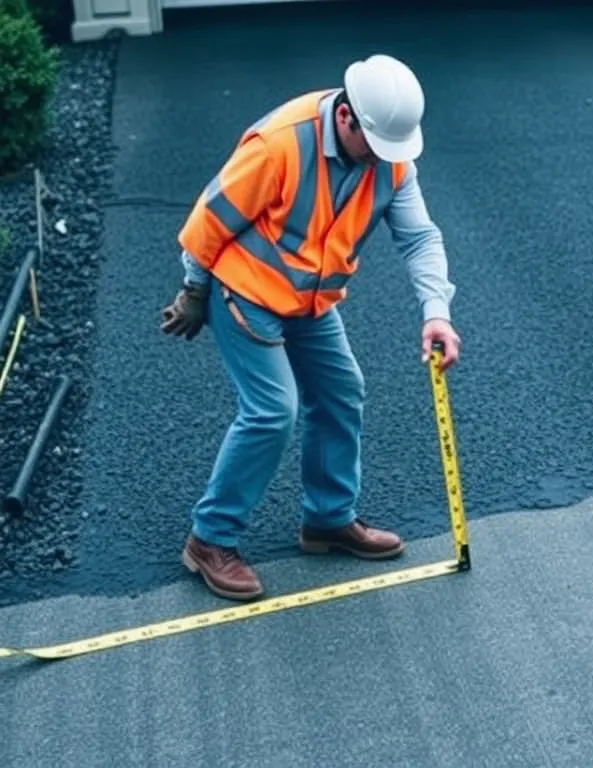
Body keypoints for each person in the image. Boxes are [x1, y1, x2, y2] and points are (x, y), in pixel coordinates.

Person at [159, 54, 461, 602]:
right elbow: (210, 218)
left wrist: (436, 311)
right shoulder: (279, 144)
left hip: (310, 300)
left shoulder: (392, 160)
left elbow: (420, 238)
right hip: (245, 290)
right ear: (346, 117)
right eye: (375, 147)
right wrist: (193, 291)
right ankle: (209, 540)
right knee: (273, 410)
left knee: (342, 392)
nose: (383, 160)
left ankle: (327, 519)